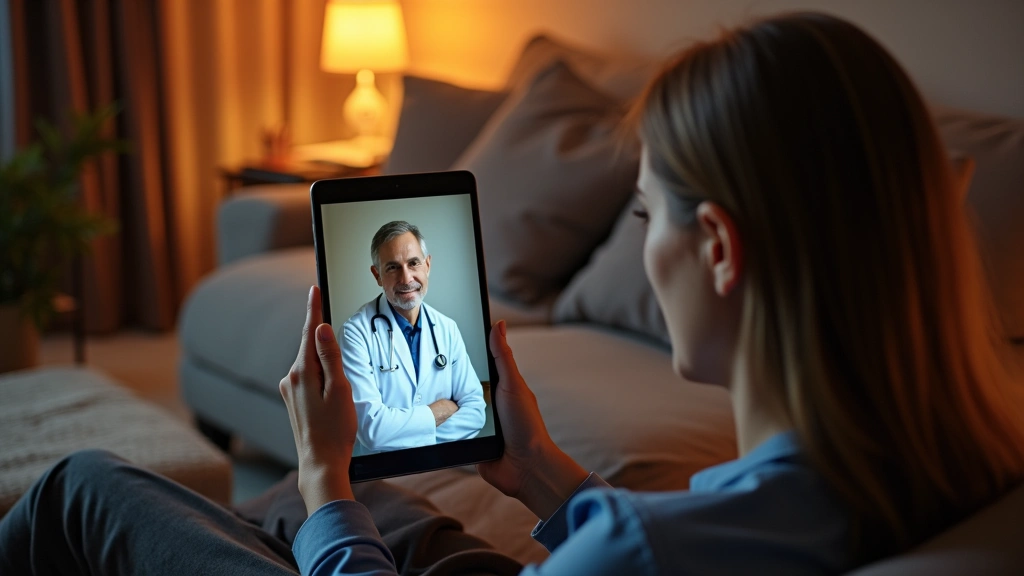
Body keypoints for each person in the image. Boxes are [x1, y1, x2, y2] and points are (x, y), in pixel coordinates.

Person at [2, 11, 1023, 576]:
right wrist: (536, 468)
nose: (643, 244)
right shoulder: (965, 460)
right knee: (386, 500)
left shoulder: (634, 550)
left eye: (642, 217)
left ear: (715, 246)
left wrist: (327, 488)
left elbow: (644, 552)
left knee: (84, 490)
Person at [340, 221, 486, 455]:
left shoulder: (447, 328)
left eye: (413, 263)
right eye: (392, 267)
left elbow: (476, 414)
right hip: (383, 472)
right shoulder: (356, 333)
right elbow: (372, 431)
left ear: (427, 265)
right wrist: (440, 411)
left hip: (442, 466)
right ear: (377, 275)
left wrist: (403, 434)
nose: (406, 278)